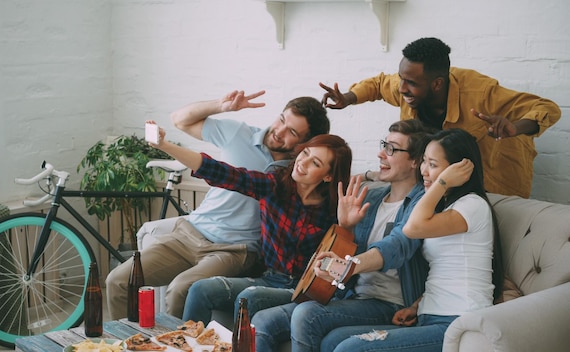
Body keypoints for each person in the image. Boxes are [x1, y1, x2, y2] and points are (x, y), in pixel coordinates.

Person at [106, 90, 330, 319]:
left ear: (306, 143)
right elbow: (181, 121)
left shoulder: (295, 175)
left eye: (292, 132)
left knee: (180, 289)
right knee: (119, 280)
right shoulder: (239, 133)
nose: (279, 131)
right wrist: (220, 106)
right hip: (190, 234)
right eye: (282, 120)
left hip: (234, 250)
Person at [252, 119, 431, 352]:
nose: (380, 154)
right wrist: (345, 227)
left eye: (391, 149)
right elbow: (338, 263)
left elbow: (396, 247)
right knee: (262, 321)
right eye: (382, 145)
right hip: (352, 294)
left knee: (308, 315)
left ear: (415, 161)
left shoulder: (422, 203)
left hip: (390, 303)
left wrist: (347, 266)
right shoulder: (371, 199)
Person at [151, 126, 352, 326]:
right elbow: (224, 173)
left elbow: (339, 268)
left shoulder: (334, 208)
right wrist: (165, 145)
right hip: (268, 278)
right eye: (305, 152)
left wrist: (345, 225)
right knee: (199, 289)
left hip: (302, 288)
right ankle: (187, 346)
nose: (302, 162)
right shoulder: (275, 185)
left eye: (315, 163)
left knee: (250, 297)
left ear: (328, 176)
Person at [328, 128, 504, 352]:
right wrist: (416, 306)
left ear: (458, 170)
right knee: (332, 341)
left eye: (433, 164)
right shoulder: (444, 209)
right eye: (424, 162)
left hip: (459, 322)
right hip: (428, 315)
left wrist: (441, 183)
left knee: (351, 349)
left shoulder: (472, 205)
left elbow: (412, 228)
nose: (424, 171)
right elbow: (445, 270)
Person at [320, 37, 561, 198]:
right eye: (401, 79)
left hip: (497, 178)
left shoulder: (481, 92)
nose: (402, 88)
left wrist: (515, 127)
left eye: (411, 83)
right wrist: (348, 98)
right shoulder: (406, 85)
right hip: (446, 183)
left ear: (437, 84)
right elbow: (379, 84)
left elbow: (546, 107)